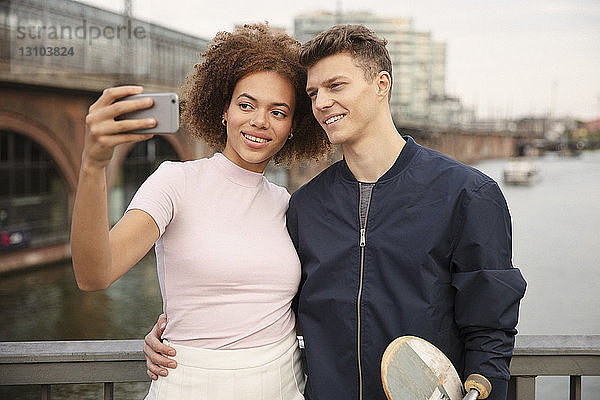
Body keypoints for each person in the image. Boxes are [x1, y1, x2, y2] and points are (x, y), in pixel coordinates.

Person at [144, 25, 526, 400]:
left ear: (381, 84)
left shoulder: (468, 194)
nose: (321, 102)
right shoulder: (305, 206)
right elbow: (267, 303)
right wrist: (179, 333)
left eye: (335, 86)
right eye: (313, 93)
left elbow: (490, 327)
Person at [71, 23, 329, 400]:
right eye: (246, 104)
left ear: (292, 127)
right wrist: (93, 166)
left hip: (283, 384)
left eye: (278, 111)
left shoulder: (289, 205)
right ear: (223, 110)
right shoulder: (174, 182)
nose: (260, 121)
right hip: (191, 385)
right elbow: (94, 274)